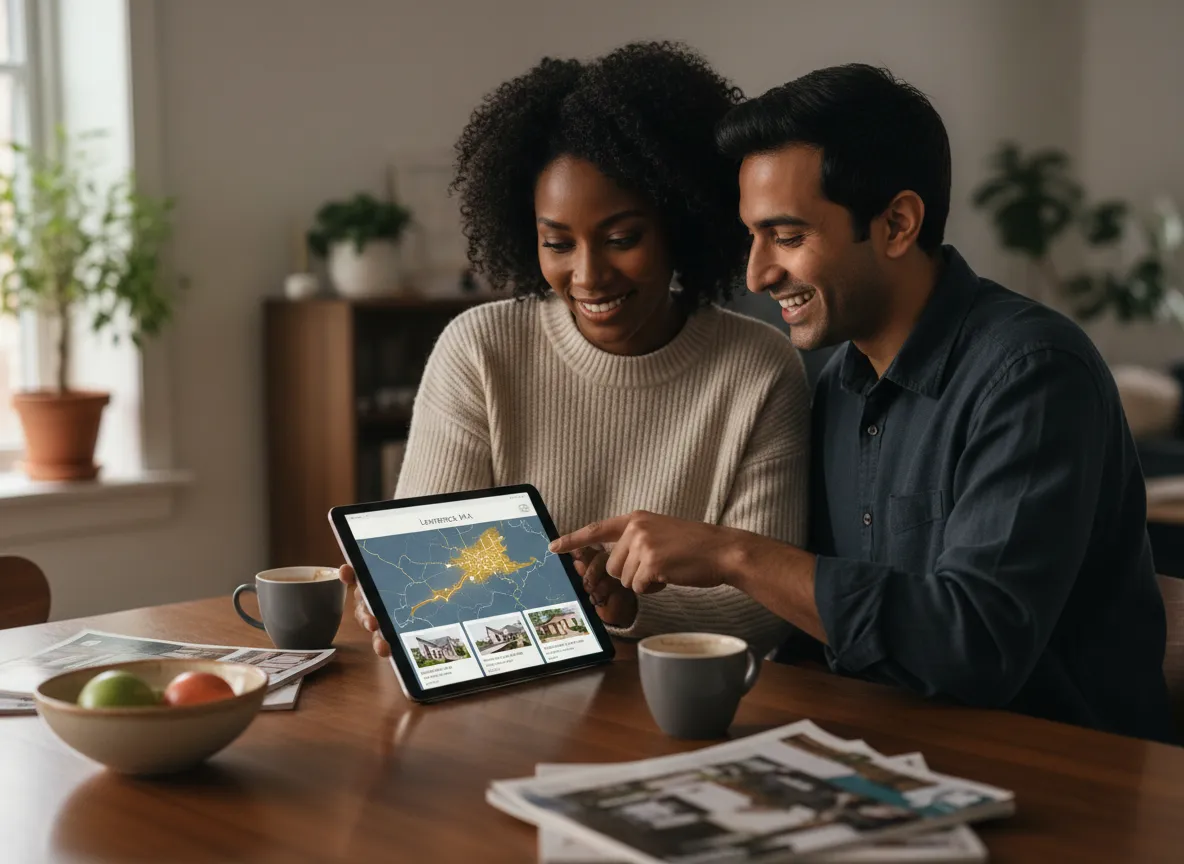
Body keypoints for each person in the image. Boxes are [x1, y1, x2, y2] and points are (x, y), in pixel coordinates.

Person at [553, 63, 1176, 743]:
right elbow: (823, 619)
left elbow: (978, 646)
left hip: (1069, 784)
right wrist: (630, 609)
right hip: (888, 759)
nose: (758, 274)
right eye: (752, 237)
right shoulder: (835, 385)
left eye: (787, 237)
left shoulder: (1034, 375)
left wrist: (735, 554)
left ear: (898, 223)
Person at [341, 41, 810, 659]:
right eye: (557, 243)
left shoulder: (760, 368)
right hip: (506, 701)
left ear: (682, 223)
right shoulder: (481, 350)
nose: (588, 275)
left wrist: (630, 603)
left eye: (621, 238)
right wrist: (395, 594)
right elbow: (432, 572)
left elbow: (762, 604)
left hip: (672, 703)